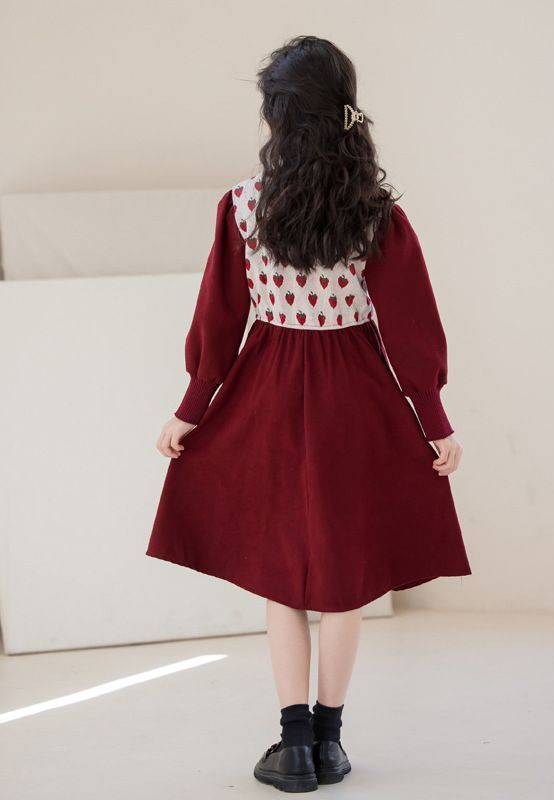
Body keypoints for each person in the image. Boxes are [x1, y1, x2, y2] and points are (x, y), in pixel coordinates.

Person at [146, 35, 472, 793]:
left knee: (283, 578)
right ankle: (330, 740)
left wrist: (193, 408)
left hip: (267, 391)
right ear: (343, 112)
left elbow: (221, 318)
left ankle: (292, 746)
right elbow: (410, 325)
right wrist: (432, 418)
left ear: (277, 115)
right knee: (344, 578)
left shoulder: (242, 205)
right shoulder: (374, 212)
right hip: (354, 398)